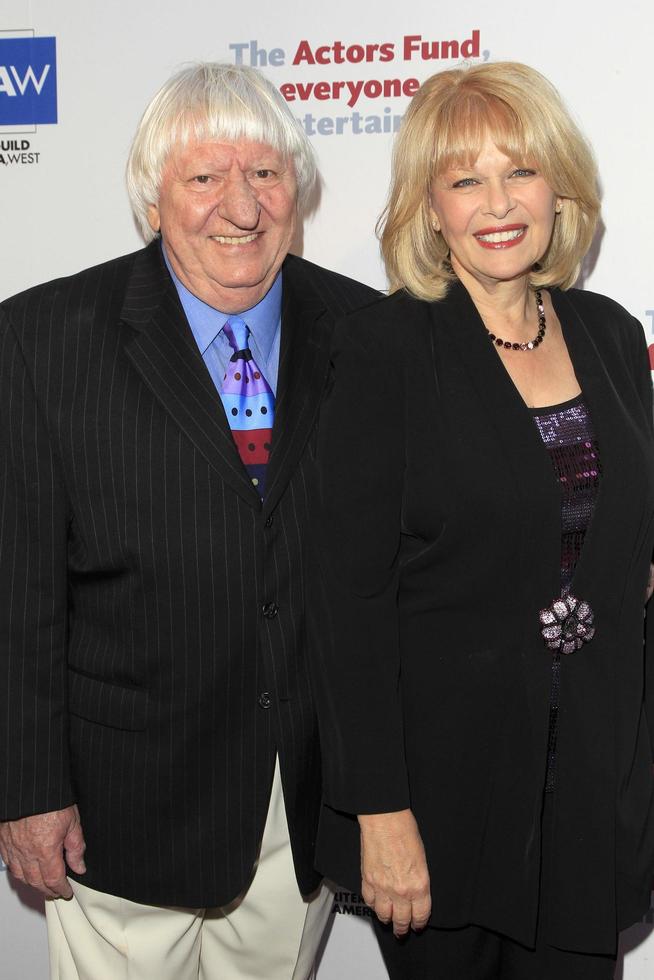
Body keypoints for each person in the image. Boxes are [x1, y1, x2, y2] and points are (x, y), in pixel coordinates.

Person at [0, 62, 377, 980]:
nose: (240, 208)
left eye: (265, 175)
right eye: (205, 177)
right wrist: (27, 789)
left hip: (302, 802)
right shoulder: (41, 339)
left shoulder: (370, 334)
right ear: (152, 197)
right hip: (120, 806)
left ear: (299, 189)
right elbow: (19, 591)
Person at [310, 61, 654, 979]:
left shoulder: (614, 336)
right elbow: (348, 604)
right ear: (430, 207)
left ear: (560, 188)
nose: (497, 202)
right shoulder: (386, 349)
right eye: (465, 179)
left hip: (589, 799)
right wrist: (379, 816)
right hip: (440, 808)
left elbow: (624, 550)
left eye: (521, 171)